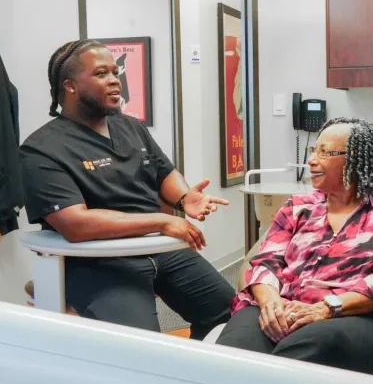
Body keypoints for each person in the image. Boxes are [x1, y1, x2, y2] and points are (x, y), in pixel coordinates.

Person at [19, 39, 235, 340]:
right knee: (141, 348)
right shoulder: (41, 149)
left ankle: (195, 381)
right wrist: (162, 221)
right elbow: (75, 224)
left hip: (159, 251)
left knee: (231, 312)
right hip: (99, 264)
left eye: (114, 72)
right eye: (101, 74)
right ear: (70, 86)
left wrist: (185, 198)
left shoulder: (130, 127)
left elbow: (164, 172)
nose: (114, 80)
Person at [216, 117, 373, 375]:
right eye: (314, 150)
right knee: (235, 352)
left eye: (325, 152)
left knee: (299, 353)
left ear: (355, 159)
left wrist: (325, 308)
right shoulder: (297, 207)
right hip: (281, 303)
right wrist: (271, 303)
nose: (312, 160)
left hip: (348, 315)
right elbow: (265, 261)